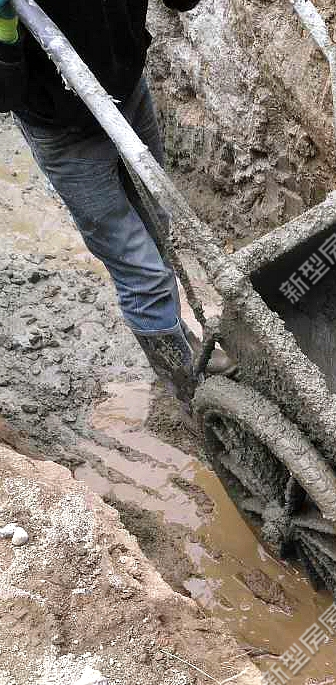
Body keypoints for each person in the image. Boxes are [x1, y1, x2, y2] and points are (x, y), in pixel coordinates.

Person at [0, 0, 215, 402]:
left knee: (158, 232)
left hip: (128, 94)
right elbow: (5, 95)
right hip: (66, 134)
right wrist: (5, 25)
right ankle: (190, 395)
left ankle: (183, 350)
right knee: (142, 272)